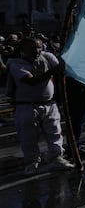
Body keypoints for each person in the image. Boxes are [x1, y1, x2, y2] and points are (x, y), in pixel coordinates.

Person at [7, 37, 75, 175]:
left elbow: (62, 69)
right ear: (23, 49)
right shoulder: (16, 63)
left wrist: (63, 63)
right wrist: (53, 71)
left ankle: (56, 158)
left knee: (55, 133)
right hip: (27, 107)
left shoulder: (47, 56)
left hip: (49, 104)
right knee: (28, 137)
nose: (37, 50)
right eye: (32, 48)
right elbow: (31, 81)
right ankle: (32, 163)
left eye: (39, 47)